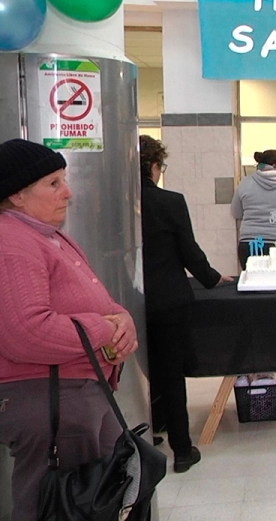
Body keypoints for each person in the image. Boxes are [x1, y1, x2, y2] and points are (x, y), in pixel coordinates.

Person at [0, 139, 139, 520]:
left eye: (65, 179)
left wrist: (122, 321)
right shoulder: (12, 242)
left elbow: (94, 301)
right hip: (50, 399)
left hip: (80, 391)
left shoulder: (49, 236)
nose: (68, 192)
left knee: (102, 497)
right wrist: (102, 329)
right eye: (53, 183)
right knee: (62, 505)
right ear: (17, 194)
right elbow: (26, 333)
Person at [139, 135, 232, 473]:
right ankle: (181, 450)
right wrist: (211, 278)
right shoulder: (170, 201)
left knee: (135, 374)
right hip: (169, 301)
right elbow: (188, 251)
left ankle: (142, 435)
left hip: (126, 300)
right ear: (153, 166)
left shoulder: (112, 205)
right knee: (171, 373)